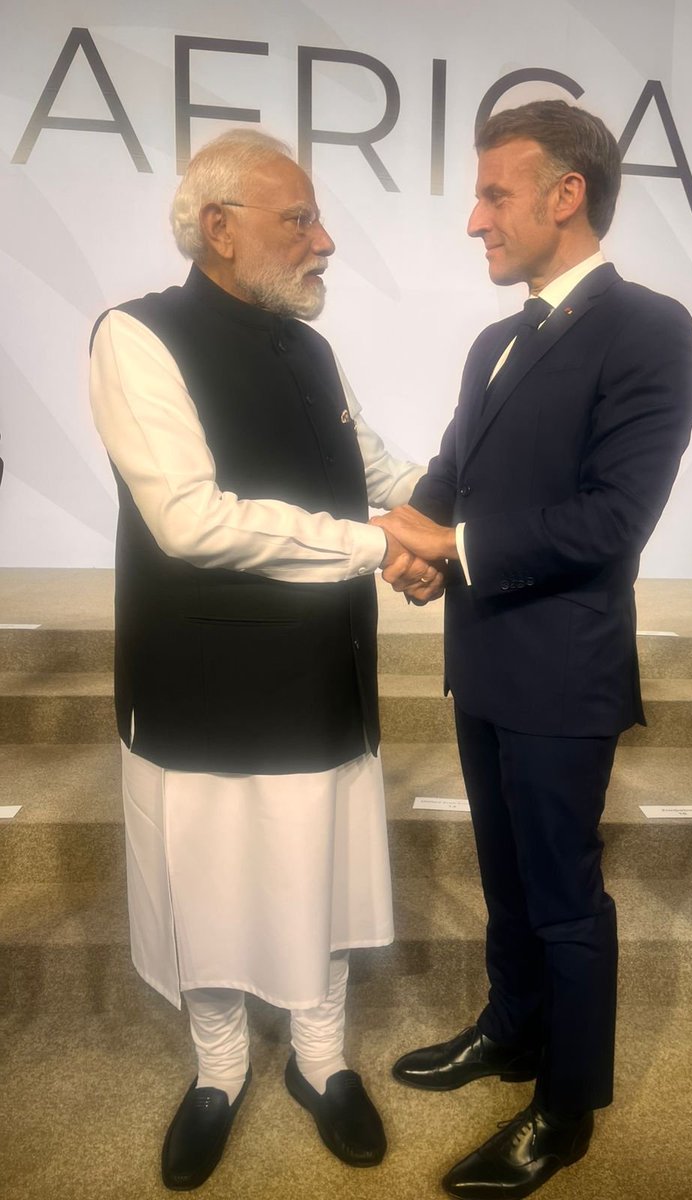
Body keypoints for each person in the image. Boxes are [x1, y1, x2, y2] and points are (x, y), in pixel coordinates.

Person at [89, 128, 439, 1190]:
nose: (324, 240)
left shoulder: (310, 347)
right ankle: (219, 1070)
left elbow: (376, 463)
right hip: (199, 685)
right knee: (207, 888)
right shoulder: (135, 338)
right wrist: (380, 545)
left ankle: (324, 1065)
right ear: (218, 229)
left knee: (316, 874)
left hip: (320, 677)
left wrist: (459, 517)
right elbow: (191, 523)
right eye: (299, 220)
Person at [374, 100, 692, 1198]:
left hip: (564, 670)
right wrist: (416, 541)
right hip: (485, 660)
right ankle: (510, 1033)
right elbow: (449, 472)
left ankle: (564, 1109)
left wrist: (451, 546)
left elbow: (615, 518)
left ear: (568, 196)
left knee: (563, 896)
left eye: (494, 194)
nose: (475, 220)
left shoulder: (649, 328)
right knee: (507, 884)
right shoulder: (495, 339)